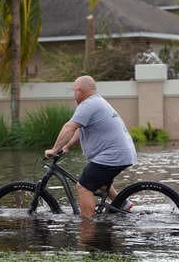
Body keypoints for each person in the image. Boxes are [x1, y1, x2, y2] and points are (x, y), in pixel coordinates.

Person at [45, 75, 137, 218]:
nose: (74, 95)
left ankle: (87, 226)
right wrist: (67, 147)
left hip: (113, 155)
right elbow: (80, 129)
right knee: (98, 180)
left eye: (74, 91)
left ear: (79, 91)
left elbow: (69, 127)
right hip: (121, 153)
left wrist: (54, 149)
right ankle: (122, 204)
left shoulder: (88, 104)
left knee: (83, 187)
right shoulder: (98, 101)